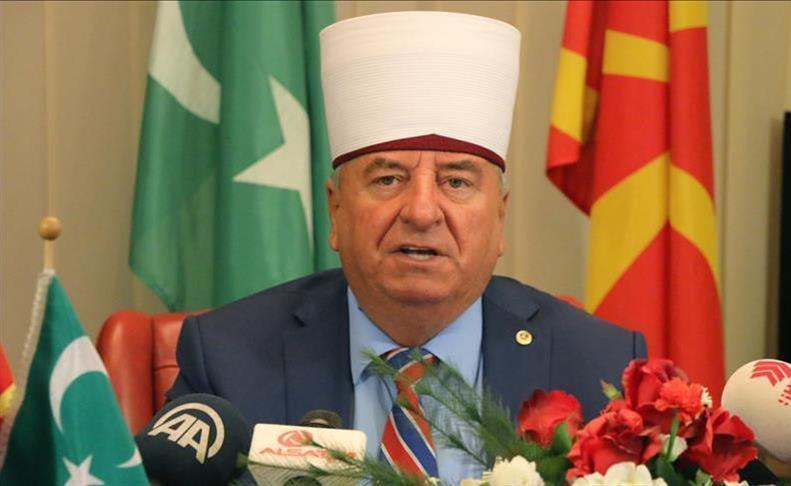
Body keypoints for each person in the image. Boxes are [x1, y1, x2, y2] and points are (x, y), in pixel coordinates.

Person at [167, 11, 646, 482]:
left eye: (456, 181)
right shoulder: (228, 361)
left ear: (499, 218)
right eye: (387, 179)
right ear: (336, 210)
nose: (421, 211)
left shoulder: (599, 369)